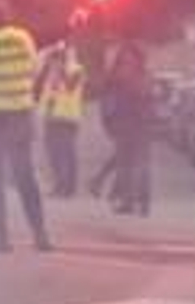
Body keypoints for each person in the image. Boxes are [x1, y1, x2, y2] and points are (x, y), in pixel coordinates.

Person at [0, 0, 52, 252]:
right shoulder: (24, 38)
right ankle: (40, 234)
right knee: (24, 175)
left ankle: (0, 235)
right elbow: (36, 66)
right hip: (19, 115)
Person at [99, 40, 153, 215]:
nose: (128, 63)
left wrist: (108, 120)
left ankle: (134, 202)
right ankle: (138, 203)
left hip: (129, 123)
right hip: (135, 123)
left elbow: (107, 100)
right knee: (136, 164)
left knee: (131, 165)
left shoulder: (119, 76)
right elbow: (108, 99)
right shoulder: (142, 75)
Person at [37, 40, 87, 198]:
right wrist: (46, 65)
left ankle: (68, 188)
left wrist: (61, 70)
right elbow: (38, 88)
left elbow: (71, 87)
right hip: (51, 116)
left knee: (66, 154)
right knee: (53, 154)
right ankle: (58, 185)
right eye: (54, 56)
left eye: (57, 56)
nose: (54, 59)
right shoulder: (50, 70)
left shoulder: (77, 69)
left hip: (67, 118)